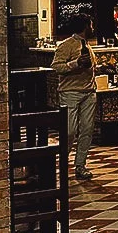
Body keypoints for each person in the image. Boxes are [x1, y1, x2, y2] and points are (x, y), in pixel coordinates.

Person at [51, 15, 97, 180]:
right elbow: (57, 67)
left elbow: (91, 68)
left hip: (89, 92)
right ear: (85, 26)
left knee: (87, 129)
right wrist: (75, 63)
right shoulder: (66, 45)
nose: (93, 28)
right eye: (91, 25)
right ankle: (63, 162)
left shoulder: (88, 46)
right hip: (70, 92)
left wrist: (103, 69)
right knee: (69, 130)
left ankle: (80, 165)